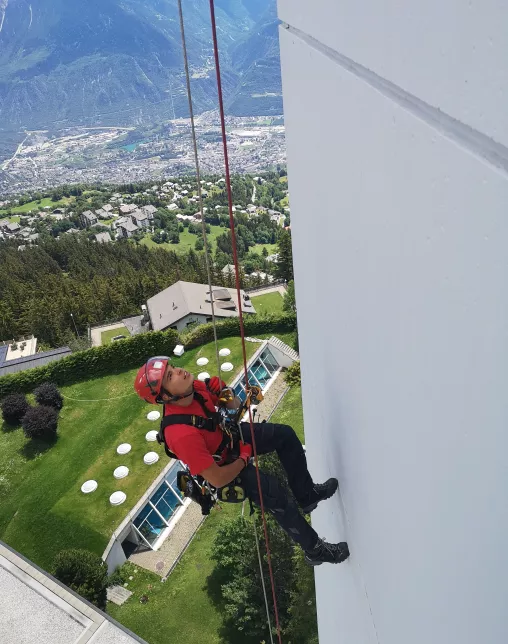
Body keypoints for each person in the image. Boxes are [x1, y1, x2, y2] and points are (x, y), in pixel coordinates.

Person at [134, 356, 349, 566]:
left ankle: (307, 494)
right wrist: (244, 459)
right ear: (165, 396)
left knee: (284, 436)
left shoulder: (195, 388)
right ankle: (315, 550)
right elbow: (217, 479)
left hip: (229, 439)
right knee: (275, 495)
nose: (179, 371)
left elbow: (234, 405)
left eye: (173, 367)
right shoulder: (181, 434)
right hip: (223, 469)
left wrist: (226, 393)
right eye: (170, 376)